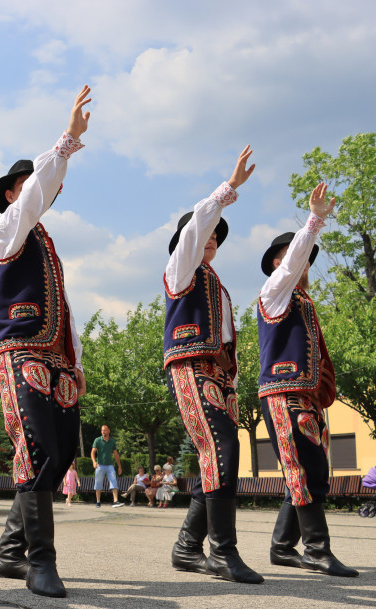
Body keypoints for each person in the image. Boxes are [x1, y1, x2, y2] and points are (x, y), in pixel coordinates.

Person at [0, 87, 91, 599]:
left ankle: (9, 550)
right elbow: (35, 195)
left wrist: (75, 360)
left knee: (64, 451)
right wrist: (67, 140)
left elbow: (63, 310)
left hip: (56, 358)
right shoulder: (7, 227)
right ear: (11, 193)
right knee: (35, 447)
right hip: (18, 351)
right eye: (26, 186)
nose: (37, 192)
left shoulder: (46, 243)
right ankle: (39, 561)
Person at [163, 147, 263, 584]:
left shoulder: (216, 285)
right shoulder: (180, 270)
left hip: (219, 376)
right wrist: (228, 189)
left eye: (217, 237)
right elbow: (194, 231)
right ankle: (222, 552)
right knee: (222, 450)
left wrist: (233, 375)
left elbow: (226, 339)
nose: (211, 239)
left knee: (219, 458)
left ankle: (188, 548)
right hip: (191, 368)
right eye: (205, 233)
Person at [258, 183, 358, 578]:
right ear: (277, 265)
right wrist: (314, 220)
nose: (301, 263)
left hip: (304, 398)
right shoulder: (274, 292)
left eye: (303, 260)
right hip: (284, 395)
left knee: (309, 470)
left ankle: (283, 547)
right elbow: (290, 263)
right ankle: (316, 550)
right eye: (291, 258)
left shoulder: (302, 302)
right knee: (303, 470)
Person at [91, 425, 123, 508]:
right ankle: (98, 501)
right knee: (98, 483)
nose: (103, 432)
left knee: (114, 481)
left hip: (110, 466)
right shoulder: (97, 440)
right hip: (100, 465)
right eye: (102, 430)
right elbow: (93, 452)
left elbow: (116, 454)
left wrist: (119, 466)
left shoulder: (112, 441)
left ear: (109, 431)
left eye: (105, 430)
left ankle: (115, 501)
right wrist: (94, 462)